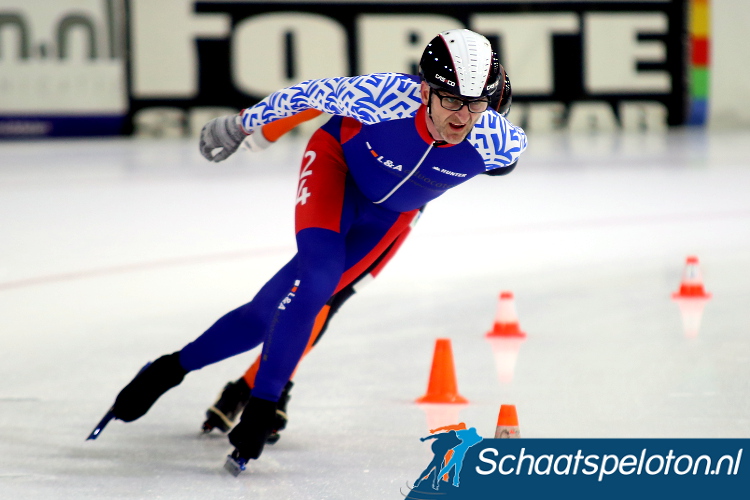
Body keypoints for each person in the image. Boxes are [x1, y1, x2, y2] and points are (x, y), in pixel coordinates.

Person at [104, 28, 527, 468]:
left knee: (269, 312)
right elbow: (305, 95)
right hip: (335, 169)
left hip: (389, 218)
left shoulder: (500, 144)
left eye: (477, 103)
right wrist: (243, 125)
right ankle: (221, 388)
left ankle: (191, 377)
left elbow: (496, 147)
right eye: (452, 100)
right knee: (316, 282)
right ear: (425, 91)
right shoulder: (382, 97)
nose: (463, 116)